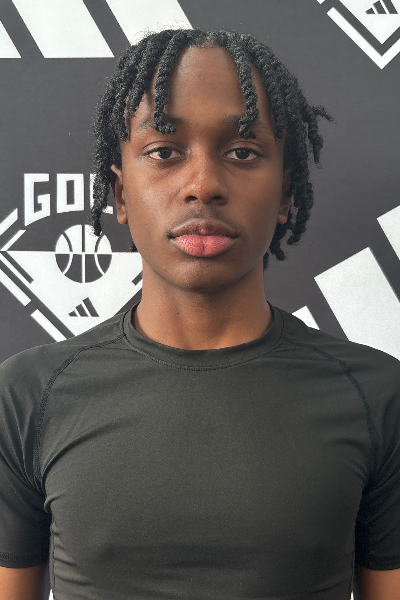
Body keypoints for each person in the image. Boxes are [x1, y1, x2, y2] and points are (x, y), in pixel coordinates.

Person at [0, 28, 399, 600]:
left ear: (286, 194)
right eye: (164, 152)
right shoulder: (28, 395)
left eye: (242, 152)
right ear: (120, 194)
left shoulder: (377, 397)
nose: (203, 185)